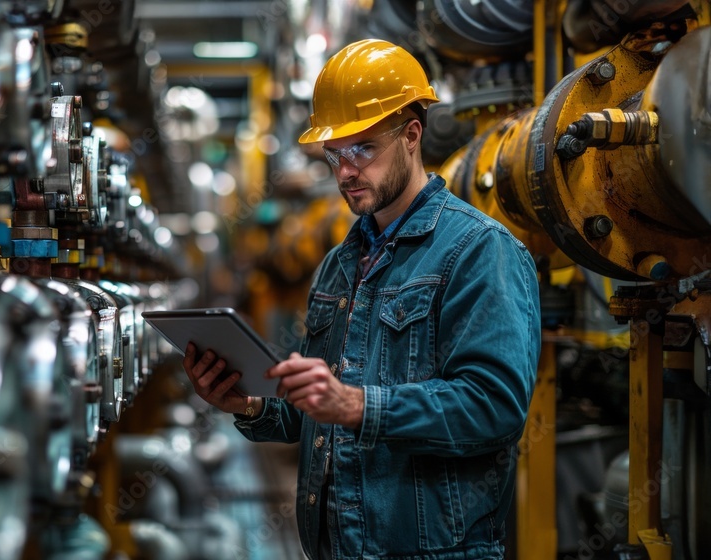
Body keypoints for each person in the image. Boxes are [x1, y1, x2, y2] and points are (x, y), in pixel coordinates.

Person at [183, 39, 541, 559]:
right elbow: (315, 414)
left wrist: (356, 404)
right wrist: (251, 404)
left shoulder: (479, 250)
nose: (346, 170)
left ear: (412, 135)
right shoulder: (339, 263)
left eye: (363, 148)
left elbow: (494, 406)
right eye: (335, 154)